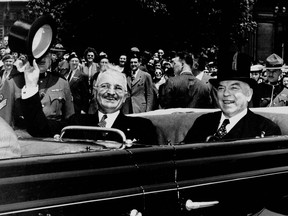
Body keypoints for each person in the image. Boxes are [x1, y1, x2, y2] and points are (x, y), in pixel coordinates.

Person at [20, 62, 158, 145]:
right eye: (104, 86)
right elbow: (39, 128)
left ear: (125, 96)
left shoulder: (143, 128)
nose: (111, 92)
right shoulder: (76, 124)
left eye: (118, 88)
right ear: (95, 91)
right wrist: (31, 85)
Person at [183, 52, 281, 144]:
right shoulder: (203, 122)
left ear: (249, 94)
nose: (226, 93)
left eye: (234, 88)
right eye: (221, 88)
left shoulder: (266, 130)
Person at [31, 51, 75, 121]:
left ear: (50, 58)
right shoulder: (15, 82)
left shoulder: (61, 82)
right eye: (38, 56)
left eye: (45, 55)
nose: (42, 60)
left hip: (53, 130)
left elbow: (70, 116)